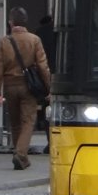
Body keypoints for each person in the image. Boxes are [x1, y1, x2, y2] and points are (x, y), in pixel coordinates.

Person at [0, 6, 51, 171]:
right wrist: (49, 88)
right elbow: (43, 66)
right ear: (25, 22)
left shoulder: (4, 42)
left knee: (15, 122)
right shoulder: (34, 40)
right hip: (28, 86)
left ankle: (19, 153)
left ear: (10, 23)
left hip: (10, 86)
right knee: (28, 121)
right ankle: (20, 154)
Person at [33, 14, 57, 152]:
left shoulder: (40, 33)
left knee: (47, 110)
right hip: (62, 74)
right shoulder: (70, 30)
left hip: (44, 75)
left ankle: (50, 141)